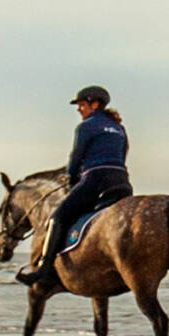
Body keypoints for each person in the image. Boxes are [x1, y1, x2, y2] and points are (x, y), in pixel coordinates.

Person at [17, 87, 133, 293]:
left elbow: (76, 157)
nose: (79, 109)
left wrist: (71, 179)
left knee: (58, 218)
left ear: (94, 104)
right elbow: (123, 156)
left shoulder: (86, 126)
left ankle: (44, 270)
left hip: (95, 180)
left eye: (81, 104)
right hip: (121, 182)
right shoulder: (119, 128)